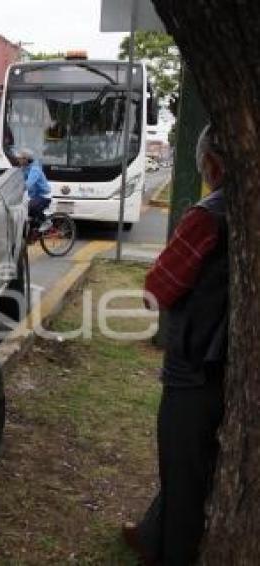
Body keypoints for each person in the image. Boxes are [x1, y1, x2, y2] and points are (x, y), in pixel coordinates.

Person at [123, 124, 229, 565]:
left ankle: (171, 552)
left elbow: (158, 288)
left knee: (183, 465)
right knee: (191, 464)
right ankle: (150, 534)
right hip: (224, 358)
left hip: (197, 362)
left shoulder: (208, 214)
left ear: (210, 163)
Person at [18, 148, 51, 230]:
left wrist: (20, 189)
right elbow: (19, 180)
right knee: (24, 211)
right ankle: (33, 231)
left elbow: (28, 184)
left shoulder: (35, 169)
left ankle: (47, 222)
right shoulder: (24, 168)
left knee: (31, 207)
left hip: (44, 195)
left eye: (20, 158)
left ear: (26, 159)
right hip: (35, 196)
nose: (18, 160)